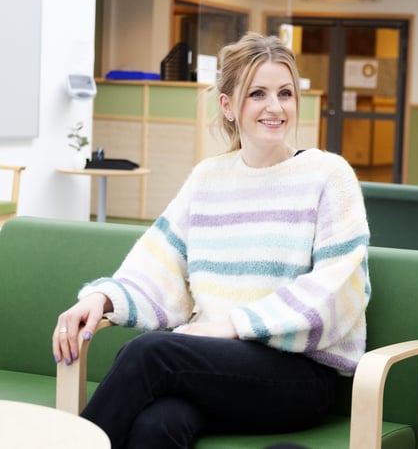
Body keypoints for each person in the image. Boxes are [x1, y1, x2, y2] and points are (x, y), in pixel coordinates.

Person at [52, 32, 371, 448]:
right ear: (228, 105)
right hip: (213, 368)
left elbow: (338, 288)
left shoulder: (328, 174)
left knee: (148, 353)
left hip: (298, 375)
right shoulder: (208, 177)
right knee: (156, 428)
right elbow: (160, 262)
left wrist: (231, 327)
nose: (275, 107)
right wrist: (101, 299)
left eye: (285, 93)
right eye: (258, 93)